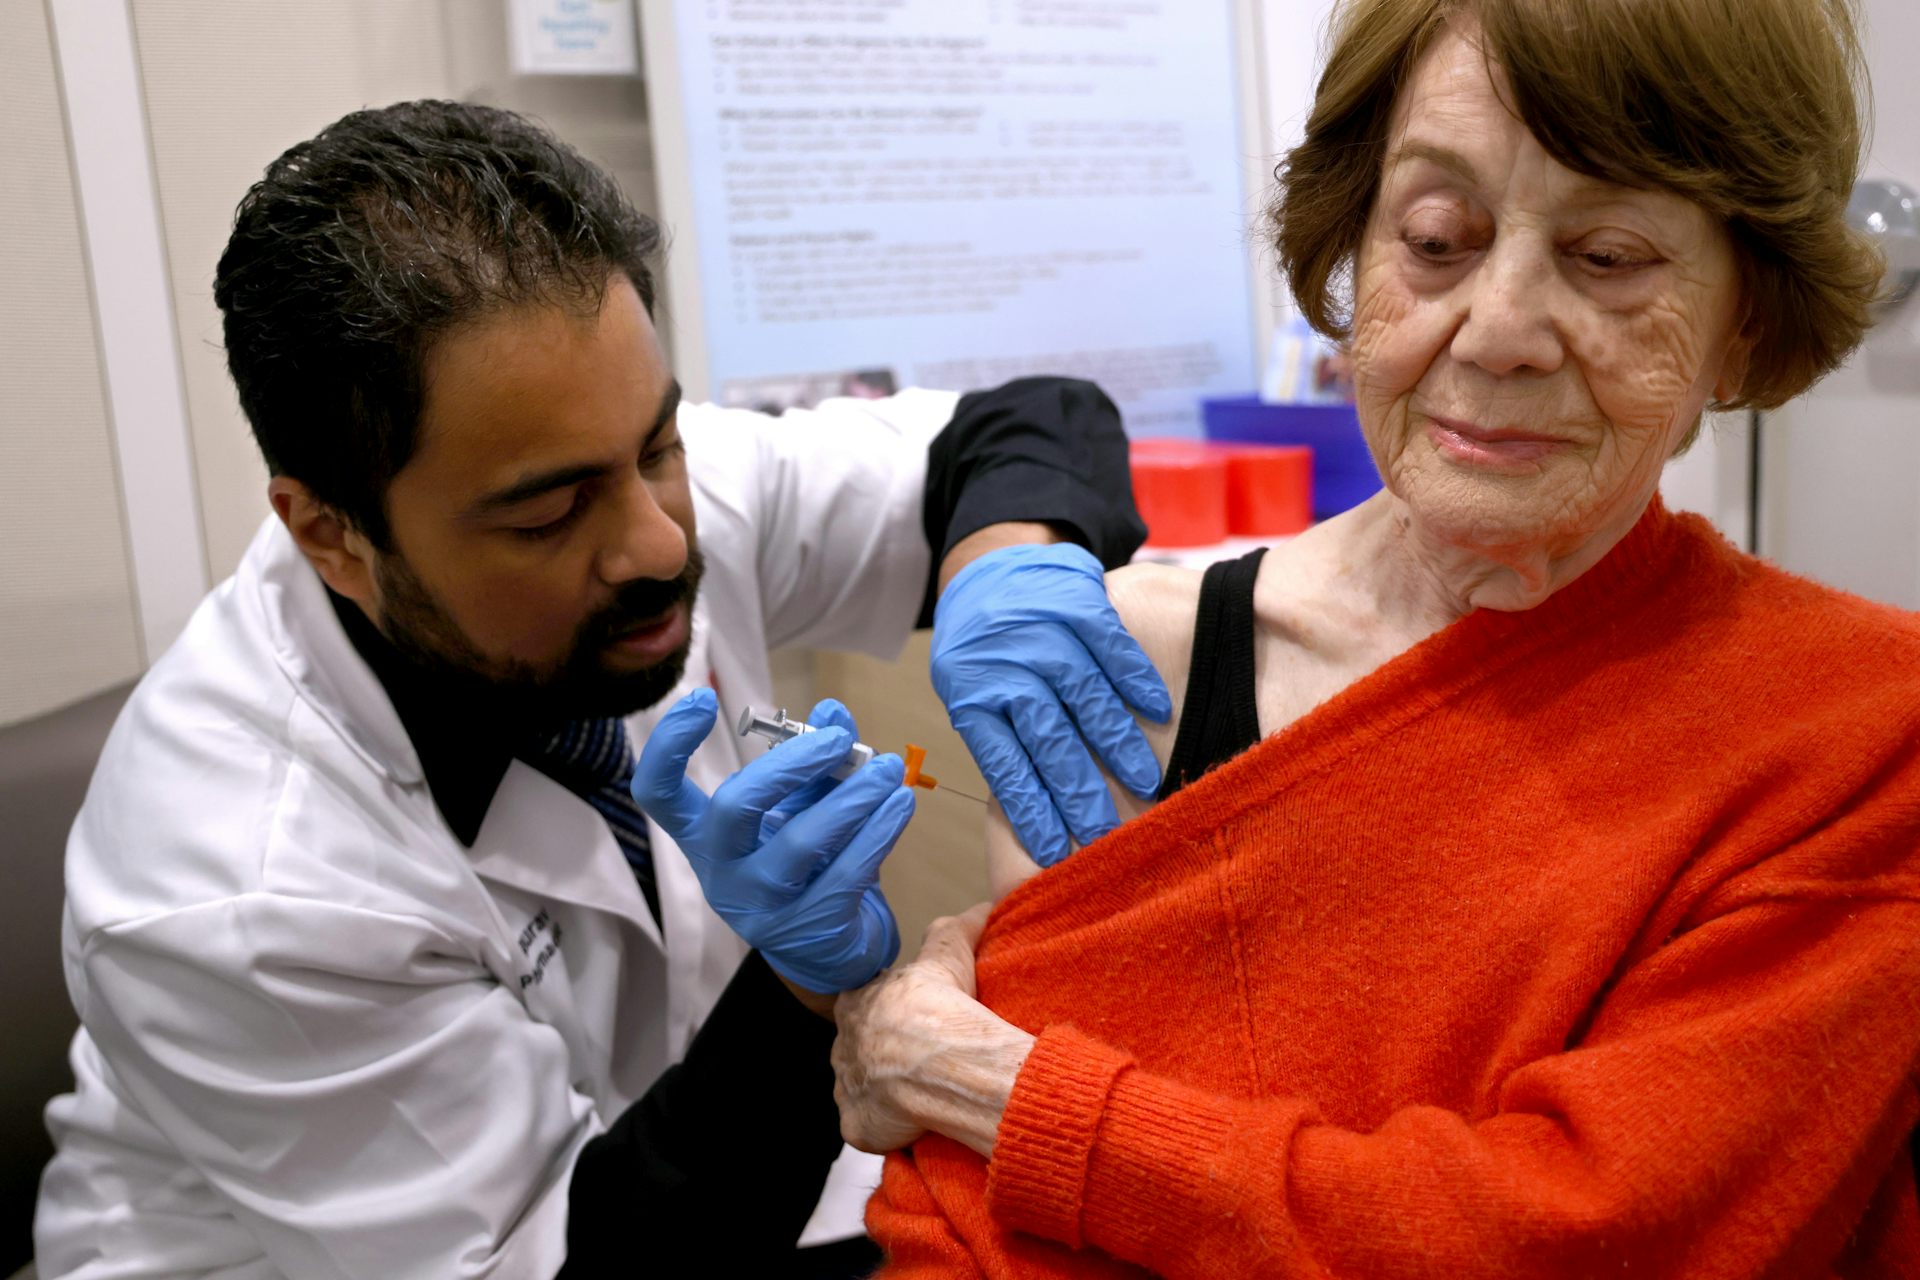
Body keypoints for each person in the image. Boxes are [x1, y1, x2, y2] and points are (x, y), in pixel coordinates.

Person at [829, 0, 1920, 1274]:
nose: (1498, 330)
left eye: (1609, 256)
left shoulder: (1851, 730)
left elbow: (1596, 1236)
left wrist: (1010, 1093)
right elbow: (972, 1234)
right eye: (1436, 238)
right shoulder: (1137, 668)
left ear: (1747, 321)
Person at [31, 100, 1173, 1279]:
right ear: (331, 532)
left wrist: (1005, 566)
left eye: (658, 445)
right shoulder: (243, 889)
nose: (660, 542)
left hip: (694, 1177)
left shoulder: (618, 474)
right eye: (547, 514)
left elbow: (1031, 425)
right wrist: (796, 987)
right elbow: (570, 1264)